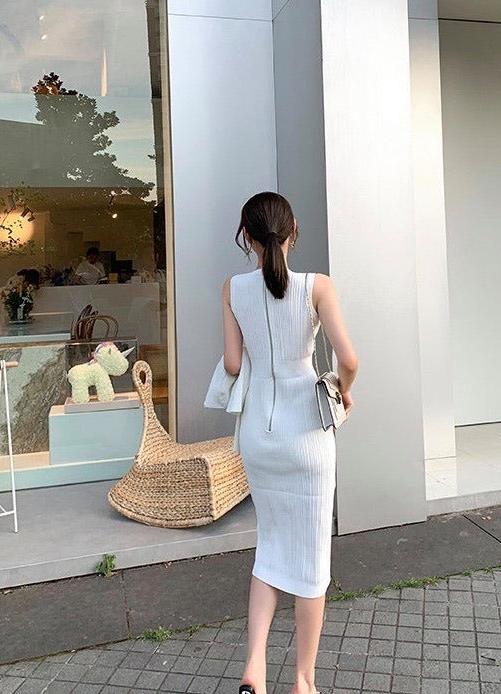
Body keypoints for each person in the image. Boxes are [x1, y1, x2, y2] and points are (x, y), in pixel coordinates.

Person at [222, 192, 358, 694]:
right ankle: (303, 680)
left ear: (247, 237)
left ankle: (254, 670)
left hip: (260, 435)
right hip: (307, 439)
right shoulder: (316, 287)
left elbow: (233, 365)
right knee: (310, 563)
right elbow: (350, 359)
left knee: (270, 549)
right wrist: (345, 391)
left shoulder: (233, 289)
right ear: (293, 229)